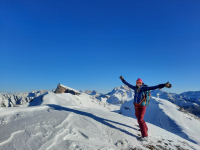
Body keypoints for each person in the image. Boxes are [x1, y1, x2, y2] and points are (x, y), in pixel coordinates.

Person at [119, 76, 172, 141]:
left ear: (141, 83)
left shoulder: (144, 88)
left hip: (142, 106)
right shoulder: (134, 88)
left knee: (140, 120)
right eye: (137, 82)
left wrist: (164, 85)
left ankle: (145, 136)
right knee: (138, 117)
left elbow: (154, 87)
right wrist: (122, 79)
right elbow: (127, 84)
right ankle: (145, 128)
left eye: (140, 83)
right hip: (136, 106)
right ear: (136, 83)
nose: (138, 84)